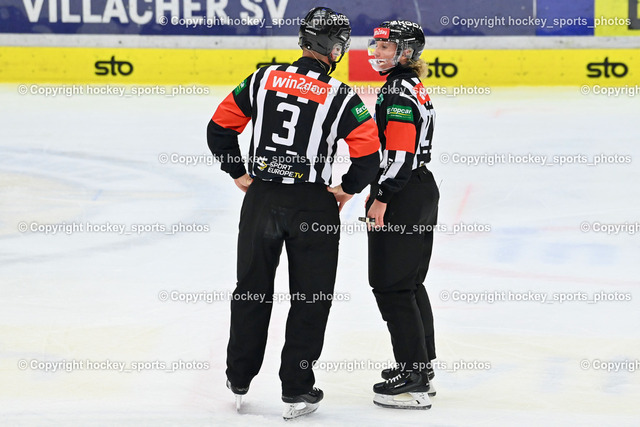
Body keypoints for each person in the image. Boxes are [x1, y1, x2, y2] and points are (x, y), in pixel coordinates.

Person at [206, 6, 380, 420]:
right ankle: (297, 388)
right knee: (311, 298)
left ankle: (239, 377)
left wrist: (238, 172)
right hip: (313, 205)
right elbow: (369, 156)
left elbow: (219, 128)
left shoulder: (262, 78)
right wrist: (346, 190)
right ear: (333, 48)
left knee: (251, 289)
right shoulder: (341, 95)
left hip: (262, 200)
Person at [365, 19, 439, 410]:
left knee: (392, 286)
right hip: (420, 190)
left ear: (406, 52)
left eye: (386, 47)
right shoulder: (410, 84)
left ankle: (414, 378)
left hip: (403, 194)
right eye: (376, 45)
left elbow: (399, 154)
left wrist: (381, 197)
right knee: (409, 283)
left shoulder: (396, 91)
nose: (377, 52)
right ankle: (420, 366)